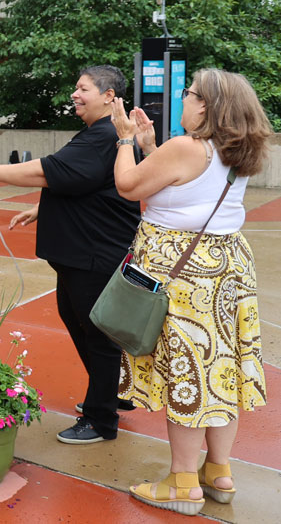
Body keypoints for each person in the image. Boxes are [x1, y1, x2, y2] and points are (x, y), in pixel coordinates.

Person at [108, 69, 270, 515]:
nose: (184, 98)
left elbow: (128, 186)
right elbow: (188, 189)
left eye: (190, 93)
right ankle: (218, 471)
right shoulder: (235, 151)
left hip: (183, 278)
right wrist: (150, 148)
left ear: (207, 106)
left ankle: (182, 482)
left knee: (187, 371)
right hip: (226, 268)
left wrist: (124, 140)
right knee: (221, 369)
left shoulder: (187, 147)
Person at [0, 65, 141, 445]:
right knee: (78, 321)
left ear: (109, 96)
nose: (75, 94)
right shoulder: (98, 134)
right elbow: (85, 181)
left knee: (97, 335)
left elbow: (51, 170)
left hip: (94, 253)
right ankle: (110, 395)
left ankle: (101, 419)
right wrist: (43, 209)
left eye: (83, 89)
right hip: (81, 254)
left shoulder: (104, 135)